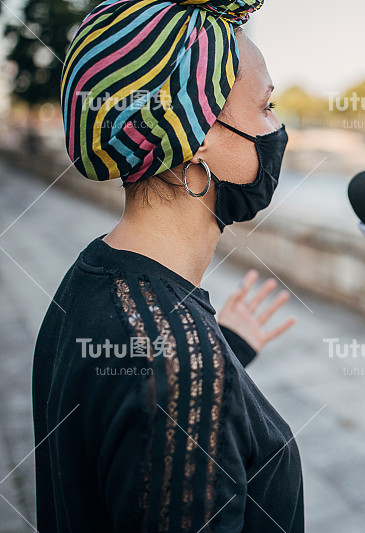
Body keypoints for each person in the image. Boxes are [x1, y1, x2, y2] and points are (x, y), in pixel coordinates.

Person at [34, 0, 301, 530]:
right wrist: (197, 366)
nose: (276, 129)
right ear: (196, 137)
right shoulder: (178, 366)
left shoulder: (88, 281)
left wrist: (224, 357)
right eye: (266, 106)